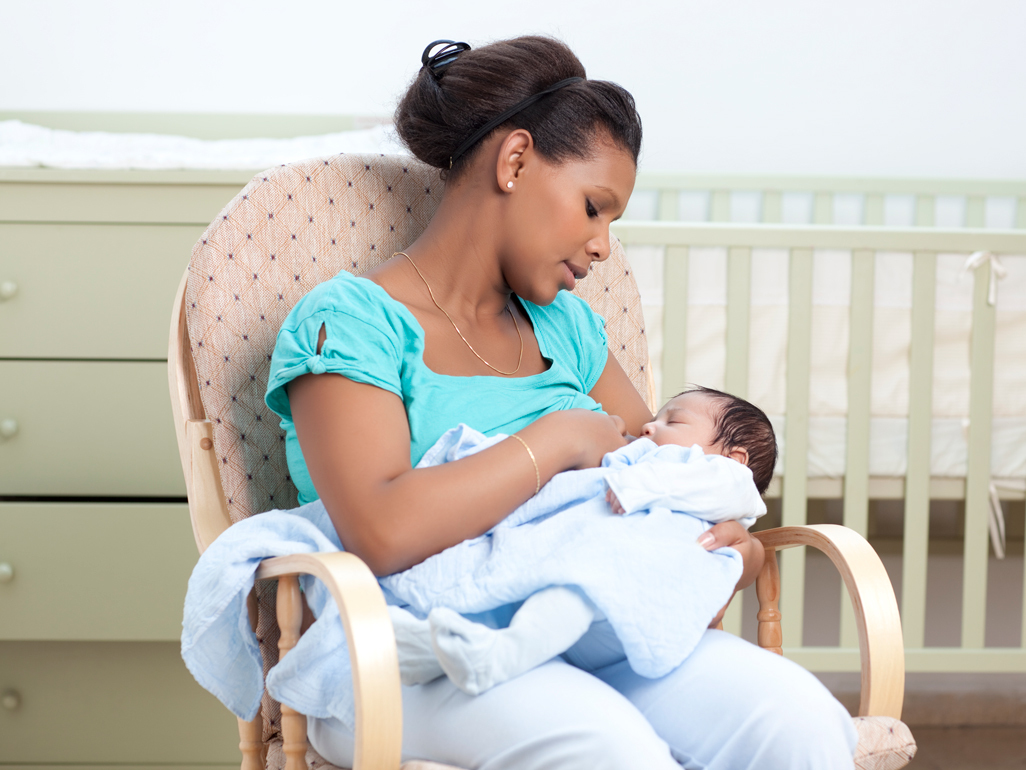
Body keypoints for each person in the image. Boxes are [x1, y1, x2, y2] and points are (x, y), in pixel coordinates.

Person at [266, 35, 858, 770]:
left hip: (580, 630)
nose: (604, 246)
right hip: (412, 648)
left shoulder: (569, 328)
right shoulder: (354, 321)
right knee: (613, 751)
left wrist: (730, 548)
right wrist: (555, 442)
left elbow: (653, 488)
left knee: (799, 720)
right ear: (514, 162)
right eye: (593, 207)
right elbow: (381, 531)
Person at [383, 386, 776, 697]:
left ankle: (500, 658)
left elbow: (696, 484)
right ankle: (439, 655)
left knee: (575, 591)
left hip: (626, 595)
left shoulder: (724, 477)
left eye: (673, 420)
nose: (649, 427)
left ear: (734, 458)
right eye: (657, 418)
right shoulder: (656, 462)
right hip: (605, 591)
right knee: (550, 589)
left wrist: (634, 485)